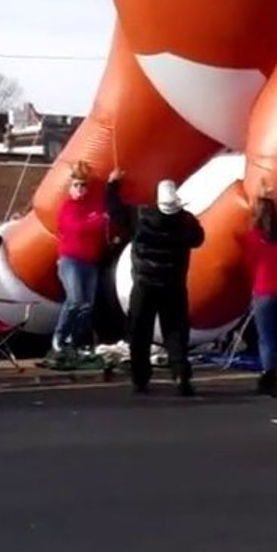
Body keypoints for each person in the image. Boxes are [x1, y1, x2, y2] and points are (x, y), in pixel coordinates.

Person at [109, 176, 205, 396]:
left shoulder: (141, 218)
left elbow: (116, 213)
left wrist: (112, 187)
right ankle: (180, 374)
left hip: (144, 284)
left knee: (139, 331)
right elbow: (199, 239)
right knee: (176, 332)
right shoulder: (185, 222)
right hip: (174, 284)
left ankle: (140, 377)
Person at [52, 162, 109, 358]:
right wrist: (96, 220)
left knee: (87, 304)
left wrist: (96, 220)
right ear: (70, 188)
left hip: (90, 261)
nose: (80, 189)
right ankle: (60, 337)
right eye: (76, 185)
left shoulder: (92, 206)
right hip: (71, 260)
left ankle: (78, 341)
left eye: (83, 185)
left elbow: (99, 224)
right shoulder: (67, 207)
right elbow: (76, 228)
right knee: (75, 300)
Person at [244, 184, 277, 396]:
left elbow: (249, 263)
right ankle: (269, 375)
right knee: (273, 336)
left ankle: (268, 377)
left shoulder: (254, 237)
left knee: (266, 338)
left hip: (264, 289)